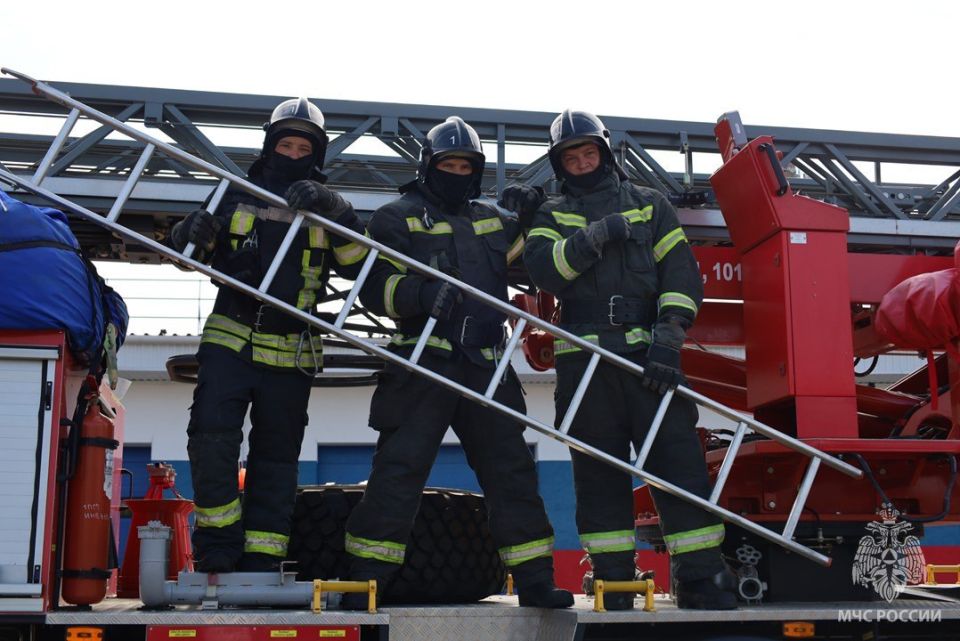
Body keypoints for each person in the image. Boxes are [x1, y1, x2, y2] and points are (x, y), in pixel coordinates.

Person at [340, 116, 573, 610]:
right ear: (429, 166)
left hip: (486, 365)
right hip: (423, 364)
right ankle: (366, 582)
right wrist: (419, 294)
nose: (457, 172)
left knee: (512, 473)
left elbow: (532, 259)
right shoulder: (394, 217)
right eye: (449, 163)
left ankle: (535, 580)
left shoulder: (491, 218)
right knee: (398, 473)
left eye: (466, 165)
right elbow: (373, 287)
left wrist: (535, 214)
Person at [509, 109, 737, 610]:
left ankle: (700, 577)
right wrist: (594, 237)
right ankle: (614, 579)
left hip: (648, 359)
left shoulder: (650, 205)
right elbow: (547, 272)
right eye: (572, 157)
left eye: (589, 152)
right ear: (559, 164)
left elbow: (681, 276)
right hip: (584, 363)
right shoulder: (550, 213)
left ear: (605, 153)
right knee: (597, 475)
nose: (583, 162)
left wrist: (670, 339)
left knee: (678, 463)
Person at [169, 97, 369, 573]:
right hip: (231, 335)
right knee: (211, 439)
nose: (293, 153)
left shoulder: (328, 208)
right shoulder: (233, 190)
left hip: (292, 346)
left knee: (277, 456)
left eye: (303, 147)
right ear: (270, 145)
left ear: (316, 154)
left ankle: (264, 552)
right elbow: (191, 249)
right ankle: (218, 543)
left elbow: (361, 265)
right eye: (286, 144)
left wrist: (333, 207)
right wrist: (185, 230)